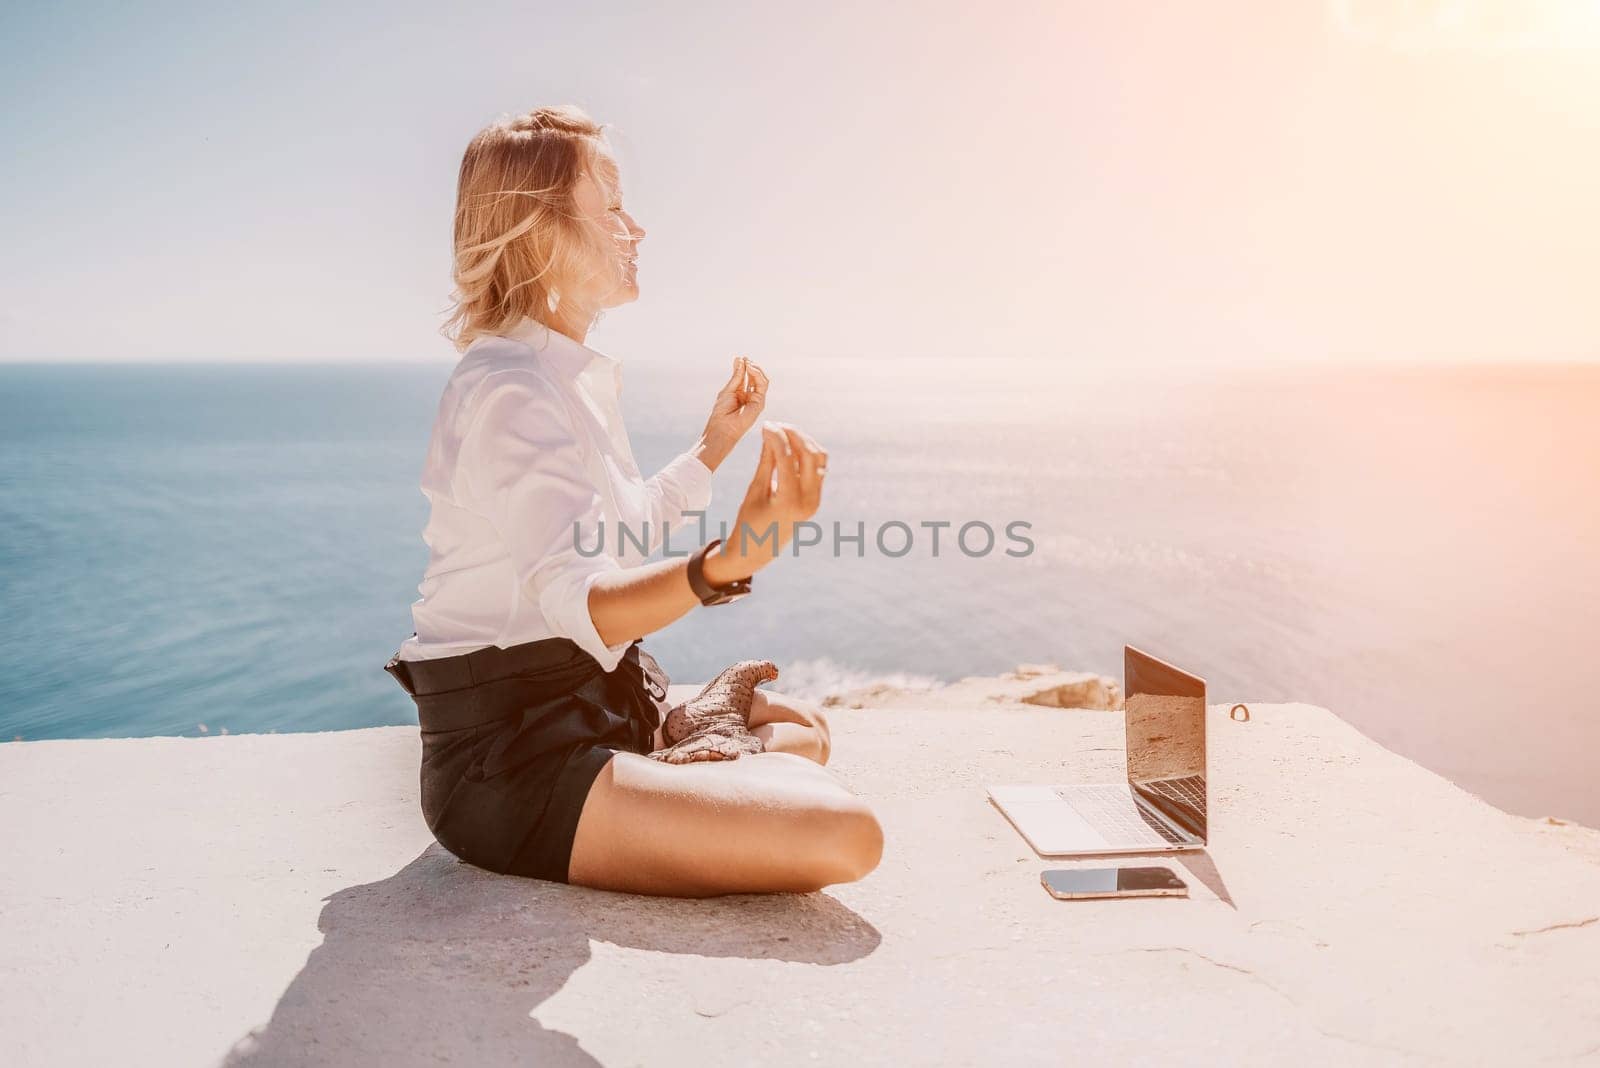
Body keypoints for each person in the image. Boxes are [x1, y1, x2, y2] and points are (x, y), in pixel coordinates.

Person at [383, 105, 884, 897]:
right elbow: (580, 600)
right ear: (540, 230)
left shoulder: (561, 377)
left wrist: (713, 445)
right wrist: (727, 563)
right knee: (843, 833)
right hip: (514, 763)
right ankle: (682, 751)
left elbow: (619, 533)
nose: (636, 227)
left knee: (805, 734)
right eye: (611, 205)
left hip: (594, 709)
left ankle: (677, 746)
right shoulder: (509, 389)